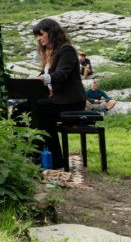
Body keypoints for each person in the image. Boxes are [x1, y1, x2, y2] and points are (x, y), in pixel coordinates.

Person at [13, 18, 87, 169]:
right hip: (57, 100)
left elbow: (61, 74)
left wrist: (42, 78)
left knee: (27, 110)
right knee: (38, 117)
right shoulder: (50, 54)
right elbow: (44, 75)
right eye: (37, 37)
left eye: (41, 35)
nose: (39, 39)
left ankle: (29, 154)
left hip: (70, 101)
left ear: (51, 33)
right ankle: (52, 160)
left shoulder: (67, 50)